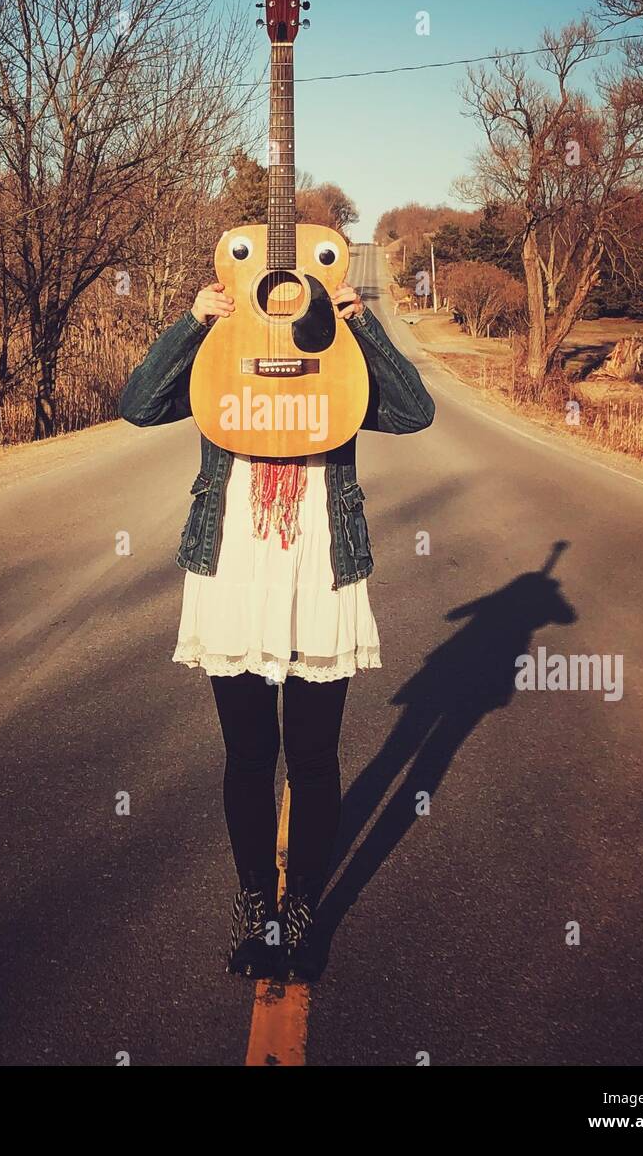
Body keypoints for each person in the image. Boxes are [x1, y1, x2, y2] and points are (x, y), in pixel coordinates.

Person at [119, 274, 434, 982]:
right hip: (231, 570)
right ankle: (257, 904)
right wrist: (192, 326)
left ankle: (302, 914)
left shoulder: (338, 371)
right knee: (249, 755)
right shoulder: (222, 362)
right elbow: (139, 407)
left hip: (320, 571)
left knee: (315, 760)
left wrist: (364, 327)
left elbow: (415, 414)